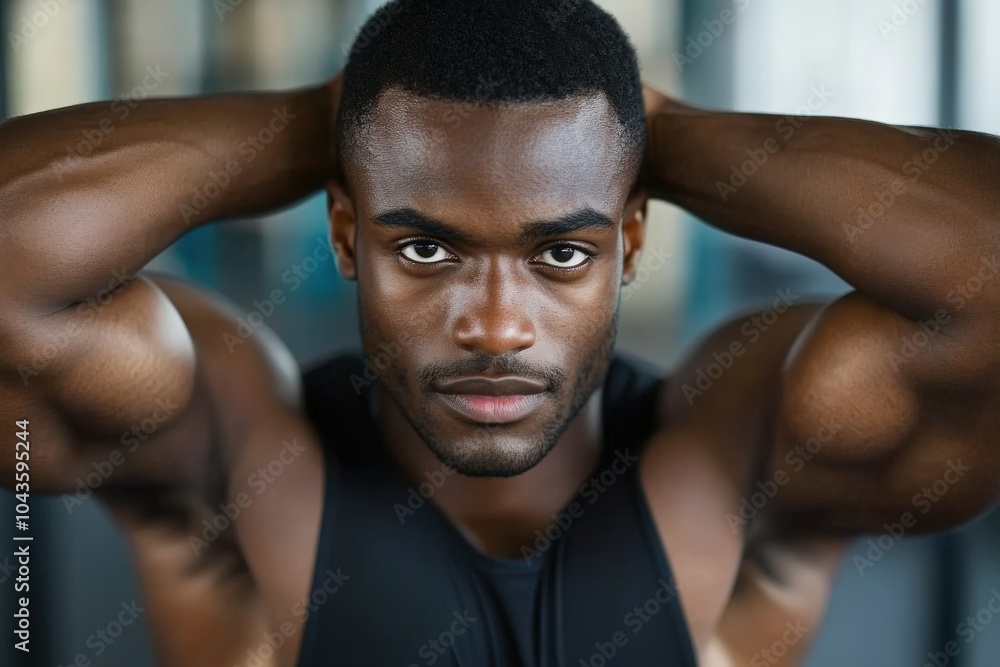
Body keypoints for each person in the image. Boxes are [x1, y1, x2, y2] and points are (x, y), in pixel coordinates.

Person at [1, 0, 998, 665]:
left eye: (561, 253)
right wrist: (338, 120)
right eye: (426, 251)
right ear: (346, 232)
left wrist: (655, 133)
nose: (493, 327)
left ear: (633, 239)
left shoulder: (733, 468)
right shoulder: (239, 461)